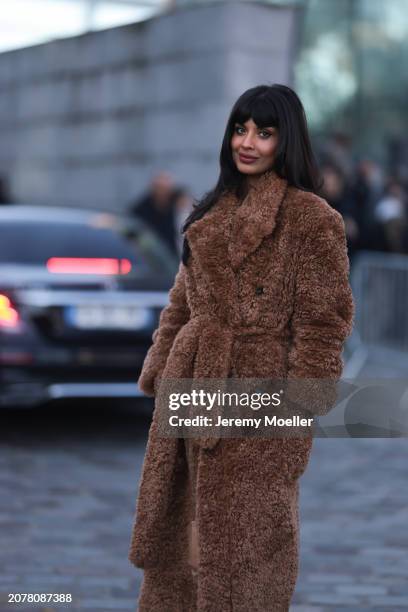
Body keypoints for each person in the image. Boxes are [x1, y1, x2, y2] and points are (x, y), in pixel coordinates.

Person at [128, 84, 355, 611]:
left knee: (246, 551)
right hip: (190, 390)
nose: (247, 142)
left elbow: (324, 327)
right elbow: (180, 305)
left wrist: (297, 416)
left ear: (287, 140)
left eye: (264, 132)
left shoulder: (312, 219)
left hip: (260, 397)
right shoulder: (209, 212)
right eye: (240, 128)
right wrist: (162, 375)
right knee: (182, 543)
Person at [129, 171, 179, 256]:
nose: (163, 193)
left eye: (166, 189)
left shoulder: (176, 206)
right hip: (150, 254)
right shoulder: (141, 209)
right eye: (160, 188)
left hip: (172, 253)